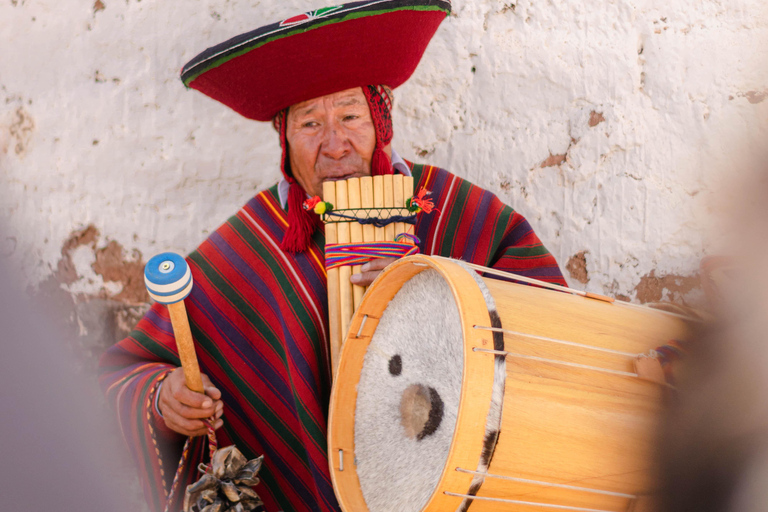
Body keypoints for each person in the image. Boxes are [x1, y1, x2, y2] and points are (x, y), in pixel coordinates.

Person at [99, 2, 566, 511]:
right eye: (309, 124)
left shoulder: (449, 210)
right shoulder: (252, 244)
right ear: (285, 141)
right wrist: (166, 398)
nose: (335, 144)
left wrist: (442, 291)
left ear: (380, 124)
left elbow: (552, 322)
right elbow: (123, 373)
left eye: (349, 116)